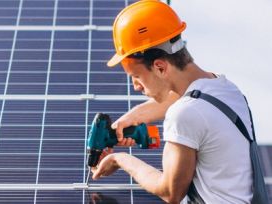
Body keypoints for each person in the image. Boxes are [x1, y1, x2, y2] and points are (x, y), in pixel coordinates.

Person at [91, 0, 254, 203]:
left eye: (136, 76)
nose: (135, 86)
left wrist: (119, 159)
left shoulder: (185, 114)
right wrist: (132, 117)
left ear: (160, 67)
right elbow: (190, 101)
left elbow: (170, 192)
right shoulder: (224, 87)